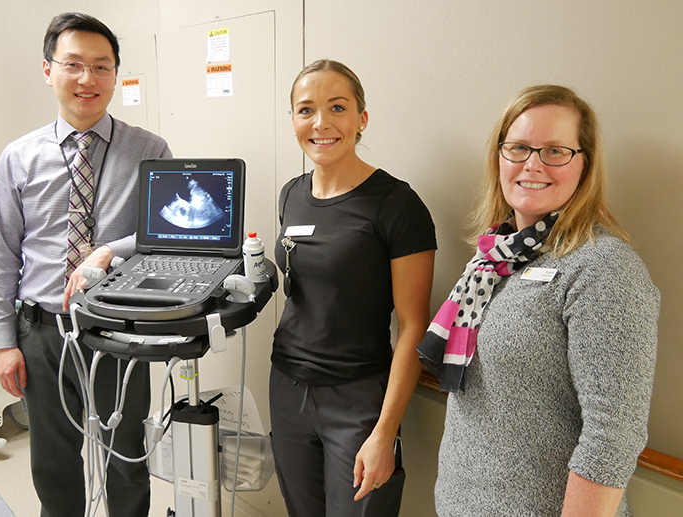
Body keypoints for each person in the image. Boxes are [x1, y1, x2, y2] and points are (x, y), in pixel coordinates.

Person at [418, 85, 660, 517]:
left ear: (584, 165)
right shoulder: (492, 255)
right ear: (500, 157)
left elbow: (613, 436)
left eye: (555, 151)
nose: (532, 164)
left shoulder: (605, 269)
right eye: (519, 148)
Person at [0, 12, 172, 517]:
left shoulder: (150, 150)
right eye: (74, 65)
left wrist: (112, 250)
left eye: (101, 66)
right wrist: (3, 343)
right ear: (49, 70)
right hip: (43, 333)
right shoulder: (18, 158)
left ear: (116, 74)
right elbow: (2, 254)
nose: (88, 79)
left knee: (127, 457)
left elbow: (166, 235)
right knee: (53, 462)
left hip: (120, 329)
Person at [269, 59, 437, 516]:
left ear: (361, 119)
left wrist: (385, 431)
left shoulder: (397, 205)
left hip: (358, 397)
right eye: (306, 110)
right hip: (287, 385)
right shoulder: (290, 194)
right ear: (293, 122)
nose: (320, 123)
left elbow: (414, 325)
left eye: (337, 107)